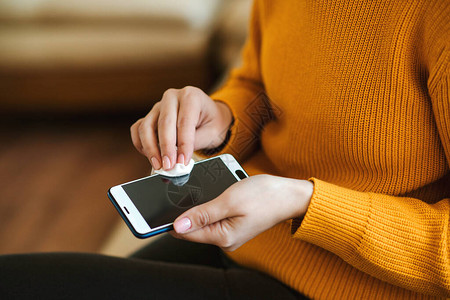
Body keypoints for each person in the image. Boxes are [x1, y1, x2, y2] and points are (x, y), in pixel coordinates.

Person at [1, 0, 449, 299]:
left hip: (353, 284)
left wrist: (305, 202)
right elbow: (257, 77)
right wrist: (221, 115)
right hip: (249, 240)